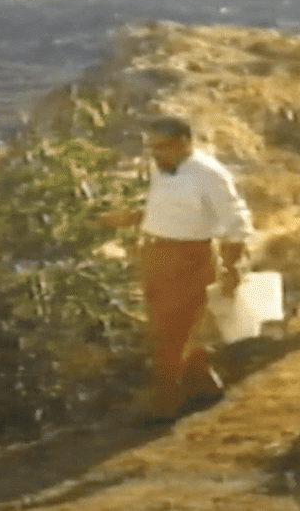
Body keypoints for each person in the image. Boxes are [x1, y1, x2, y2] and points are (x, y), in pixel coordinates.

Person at [98, 116, 254, 424]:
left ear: (184, 143)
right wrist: (129, 218)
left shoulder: (209, 173)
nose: (154, 153)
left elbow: (236, 221)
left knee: (170, 332)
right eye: (151, 147)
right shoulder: (163, 168)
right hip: (156, 255)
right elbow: (170, 210)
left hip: (189, 259)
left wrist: (232, 267)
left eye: (161, 147)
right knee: (169, 326)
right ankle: (205, 387)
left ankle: (165, 405)